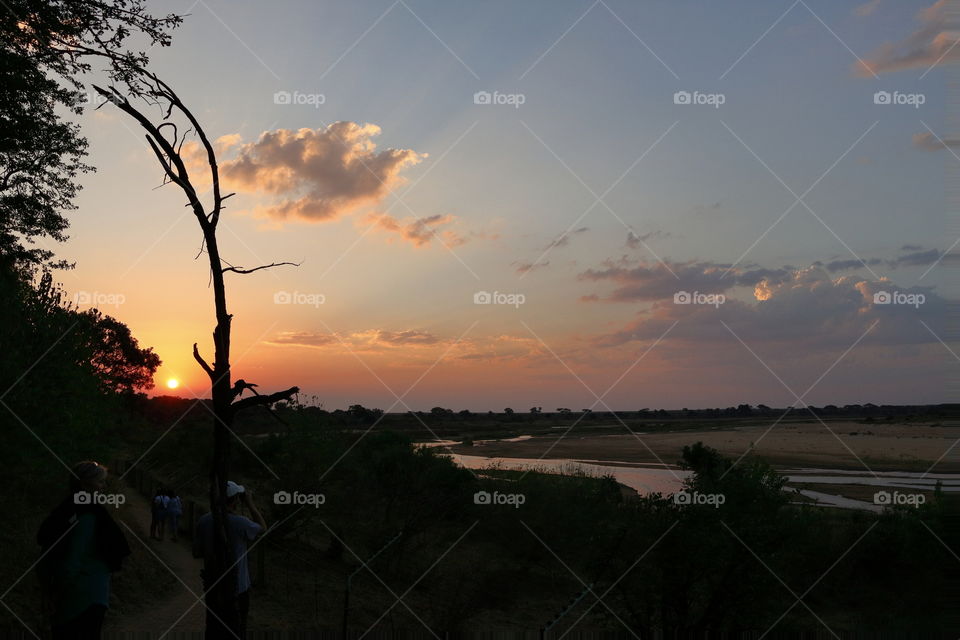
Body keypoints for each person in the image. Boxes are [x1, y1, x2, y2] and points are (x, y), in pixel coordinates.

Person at [36, 461, 131, 639]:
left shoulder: (64, 512)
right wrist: (56, 594)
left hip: (73, 596)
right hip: (83, 597)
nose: (104, 487)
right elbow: (72, 561)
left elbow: (45, 554)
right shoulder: (88, 516)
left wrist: (47, 592)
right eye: (100, 482)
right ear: (84, 484)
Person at [193, 481, 266, 639]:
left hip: (213, 585)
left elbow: (197, 552)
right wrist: (250, 503)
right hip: (237, 588)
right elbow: (262, 528)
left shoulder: (204, 520)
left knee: (213, 628)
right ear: (234, 500)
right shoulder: (240, 522)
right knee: (237, 630)